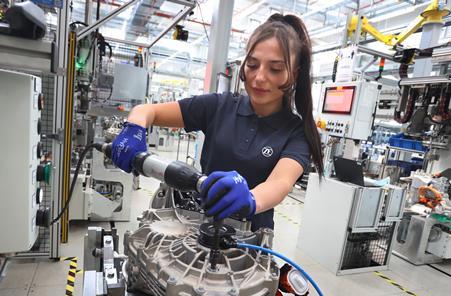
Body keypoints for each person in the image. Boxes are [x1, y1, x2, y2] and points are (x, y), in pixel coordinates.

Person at [111, 13, 323, 232]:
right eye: (252, 65)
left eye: (275, 69)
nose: (259, 77)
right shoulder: (218, 106)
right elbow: (148, 110)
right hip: (198, 227)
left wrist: (251, 199)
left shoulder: (297, 132)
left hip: (251, 242)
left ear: (295, 74)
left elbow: (279, 184)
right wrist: (135, 127)